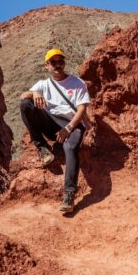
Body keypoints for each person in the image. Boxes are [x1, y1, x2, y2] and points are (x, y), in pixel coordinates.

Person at [19, 48, 90, 213]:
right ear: (47, 65)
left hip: (72, 124)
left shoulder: (77, 83)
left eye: (60, 61)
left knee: (70, 148)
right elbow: (23, 96)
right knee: (26, 105)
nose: (58, 65)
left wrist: (68, 128)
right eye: (53, 62)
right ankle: (42, 147)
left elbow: (81, 110)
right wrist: (35, 92)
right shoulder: (43, 84)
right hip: (52, 123)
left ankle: (69, 194)